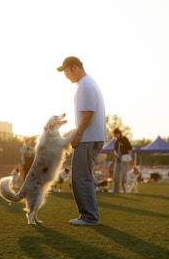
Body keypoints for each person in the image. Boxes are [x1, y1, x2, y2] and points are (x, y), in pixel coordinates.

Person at [56, 56, 107, 225]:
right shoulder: (86, 84)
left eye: (66, 71)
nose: (65, 76)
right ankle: (88, 215)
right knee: (80, 177)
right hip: (90, 137)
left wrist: (77, 135)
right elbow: (86, 116)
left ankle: (90, 217)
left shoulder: (86, 85)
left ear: (75, 67)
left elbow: (88, 114)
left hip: (88, 139)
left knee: (81, 178)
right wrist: (73, 132)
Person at [113, 127, 132, 193]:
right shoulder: (117, 141)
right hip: (118, 160)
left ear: (119, 133)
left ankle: (125, 189)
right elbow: (114, 150)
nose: (115, 136)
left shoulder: (125, 139)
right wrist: (116, 154)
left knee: (124, 175)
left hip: (124, 160)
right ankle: (115, 190)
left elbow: (130, 148)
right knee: (115, 176)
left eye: (116, 134)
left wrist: (128, 157)